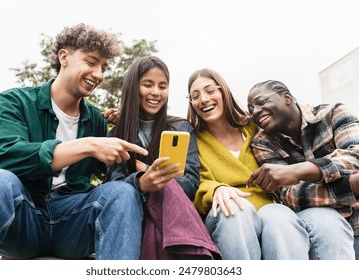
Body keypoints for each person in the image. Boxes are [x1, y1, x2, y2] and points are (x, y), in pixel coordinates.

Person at [0, 23, 149, 260]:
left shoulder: (96, 120)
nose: (99, 75)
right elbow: (5, 155)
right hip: (24, 220)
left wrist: (133, 128)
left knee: (123, 193)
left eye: (104, 68)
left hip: (73, 223)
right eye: (91, 62)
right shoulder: (16, 101)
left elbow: (112, 169)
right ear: (64, 57)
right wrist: (88, 145)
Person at [187, 68, 312, 260]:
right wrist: (216, 189)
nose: (203, 99)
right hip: (226, 212)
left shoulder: (255, 126)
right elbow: (194, 182)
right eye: (195, 96)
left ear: (223, 92)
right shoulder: (193, 140)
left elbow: (290, 134)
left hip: (268, 206)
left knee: (279, 216)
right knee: (236, 211)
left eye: (210, 91)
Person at [107, 56, 221, 259]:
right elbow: (115, 186)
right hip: (137, 217)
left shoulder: (181, 128)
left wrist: (147, 171)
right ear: (133, 88)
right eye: (147, 85)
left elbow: (191, 183)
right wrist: (142, 183)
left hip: (174, 217)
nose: (156, 93)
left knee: (158, 229)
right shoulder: (115, 136)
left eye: (162, 86)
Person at [247, 79, 357, 259]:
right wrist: (351, 186)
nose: (255, 111)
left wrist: (300, 171)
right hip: (318, 230)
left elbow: (356, 155)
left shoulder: (333, 113)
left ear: (287, 97)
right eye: (251, 109)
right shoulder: (262, 143)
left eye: (261, 102)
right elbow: (291, 196)